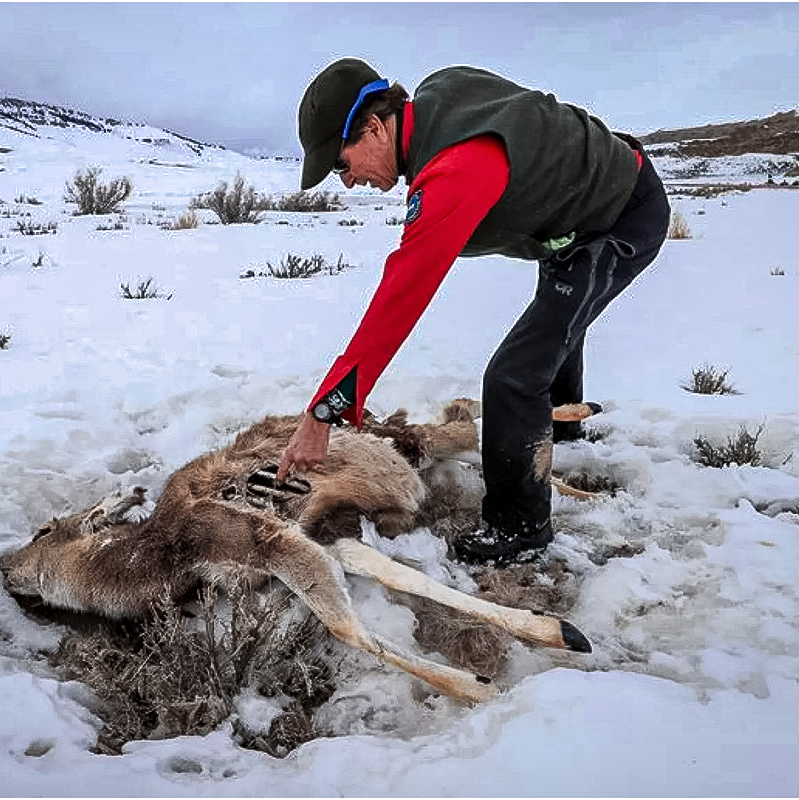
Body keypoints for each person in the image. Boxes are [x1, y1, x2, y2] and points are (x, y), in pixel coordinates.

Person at [276, 58, 670, 567]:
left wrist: (325, 410)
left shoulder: (454, 169)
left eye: (341, 164)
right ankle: (560, 434)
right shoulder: (441, 96)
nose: (348, 182)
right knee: (556, 320)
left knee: (513, 377)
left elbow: (400, 299)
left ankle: (520, 528)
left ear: (374, 128)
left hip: (620, 218)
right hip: (574, 224)